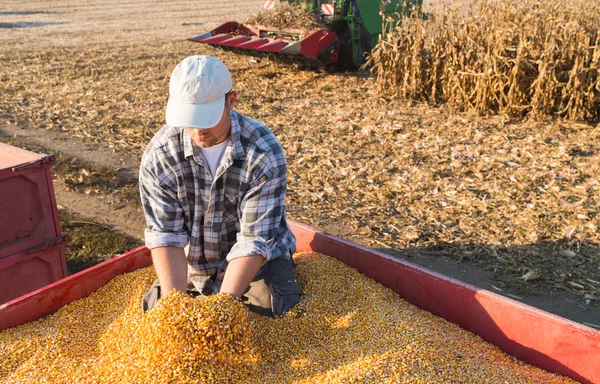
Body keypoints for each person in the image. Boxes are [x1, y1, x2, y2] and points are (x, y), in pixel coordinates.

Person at [139, 55, 301, 317]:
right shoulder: (161, 155)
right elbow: (166, 235)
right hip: (194, 267)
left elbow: (254, 240)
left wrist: (222, 310)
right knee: (158, 314)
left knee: (273, 311)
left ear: (231, 100)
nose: (198, 130)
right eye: (189, 119)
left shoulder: (262, 153)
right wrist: (173, 309)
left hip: (255, 265)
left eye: (207, 118)